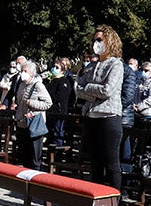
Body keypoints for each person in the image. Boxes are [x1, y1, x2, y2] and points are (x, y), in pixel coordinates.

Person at [76, 26, 126, 193]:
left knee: (111, 162)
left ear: (109, 41)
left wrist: (88, 89)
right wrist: (91, 93)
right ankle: (97, 204)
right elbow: (77, 88)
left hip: (109, 117)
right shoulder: (91, 65)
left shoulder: (116, 64)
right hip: (91, 116)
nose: (96, 43)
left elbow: (107, 90)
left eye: (100, 40)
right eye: (95, 40)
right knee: (95, 163)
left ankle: (114, 204)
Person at [11, 61, 53, 169]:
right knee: (25, 155)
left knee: (35, 156)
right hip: (22, 123)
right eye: (22, 71)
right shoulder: (21, 85)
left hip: (34, 124)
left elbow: (48, 103)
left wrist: (32, 103)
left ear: (32, 73)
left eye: (25, 71)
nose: (22, 73)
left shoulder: (38, 85)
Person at [45, 57, 77, 144]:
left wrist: (48, 99)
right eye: (54, 66)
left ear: (62, 70)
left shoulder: (64, 81)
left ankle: (57, 154)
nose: (54, 69)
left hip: (58, 112)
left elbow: (60, 96)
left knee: (57, 133)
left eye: (57, 67)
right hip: (49, 110)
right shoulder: (50, 80)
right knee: (50, 134)